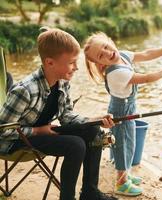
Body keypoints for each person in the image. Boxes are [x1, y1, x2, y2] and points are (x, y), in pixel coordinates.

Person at [0, 27, 118, 200]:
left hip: (43, 132)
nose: (76, 67)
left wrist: (94, 120)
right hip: (16, 140)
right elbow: (2, 130)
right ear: (49, 63)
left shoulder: (62, 81)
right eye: (71, 62)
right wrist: (38, 131)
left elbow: (66, 116)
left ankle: (90, 193)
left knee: (94, 132)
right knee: (75, 145)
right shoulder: (24, 91)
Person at [83, 32, 162, 196]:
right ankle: (121, 183)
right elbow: (144, 78)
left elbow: (146, 54)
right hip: (120, 112)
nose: (107, 52)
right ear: (99, 63)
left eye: (106, 46)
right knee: (122, 146)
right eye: (101, 55)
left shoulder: (122, 55)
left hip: (129, 108)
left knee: (130, 143)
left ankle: (126, 174)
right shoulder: (115, 73)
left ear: (110, 41)